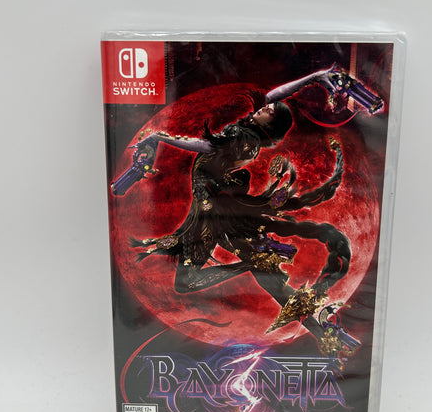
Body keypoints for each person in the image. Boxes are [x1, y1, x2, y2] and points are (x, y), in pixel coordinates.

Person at [112, 69, 352, 345]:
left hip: (211, 210)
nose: (265, 107)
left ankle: (254, 270)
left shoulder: (243, 136)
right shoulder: (253, 136)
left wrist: (161, 138)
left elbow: (206, 146)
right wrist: (314, 77)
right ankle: (325, 333)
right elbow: (274, 96)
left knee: (188, 281)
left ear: (270, 123)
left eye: (269, 111)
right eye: (267, 107)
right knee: (259, 279)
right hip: (210, 203)